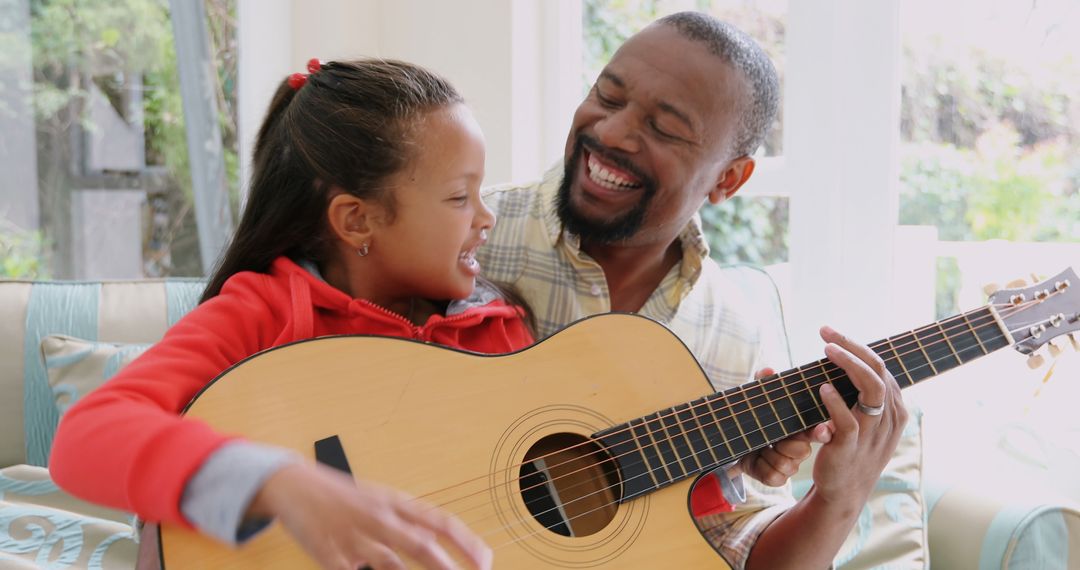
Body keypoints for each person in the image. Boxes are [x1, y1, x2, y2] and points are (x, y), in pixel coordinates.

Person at [49, 58, 535, 570]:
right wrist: (276, 483)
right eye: (460, 197)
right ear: (357, 220)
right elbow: (87, 436)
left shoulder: (498, 330)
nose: (487, 217)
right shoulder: (260, 312)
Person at [476, 11, 908, 570]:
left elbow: (738, 551)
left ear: (729, 180)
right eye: (606, 97)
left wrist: (839, 498)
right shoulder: (463, 233)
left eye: (664, 128)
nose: (609, 133)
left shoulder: (732, 336)